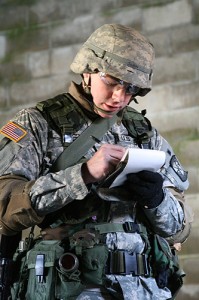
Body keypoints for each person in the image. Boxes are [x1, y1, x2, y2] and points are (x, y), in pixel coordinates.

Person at [0, 23, 192, 300]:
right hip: (70, 284)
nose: (119, 97)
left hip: (146, 289)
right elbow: (5, 206)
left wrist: (157, 198)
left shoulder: (144, 133)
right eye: (111, 82)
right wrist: (82, 176)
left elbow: (180, 229)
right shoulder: (38, 123)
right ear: (87, 70)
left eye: (130, 89)